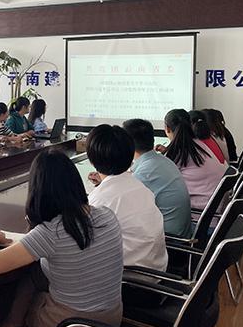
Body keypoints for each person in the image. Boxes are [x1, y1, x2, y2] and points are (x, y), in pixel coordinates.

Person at [0, 151, 123, 327]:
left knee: (22, 300)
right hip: (112, 324)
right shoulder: (107, 214)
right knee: (33, 277)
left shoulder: (51, 232)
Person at [86, 124, 168, 271]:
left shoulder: (98, 201)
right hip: (158, 270)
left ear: (91, 161)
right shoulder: (140, 187)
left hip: (130, 278)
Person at [123, 119, 193, 237]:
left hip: (170, 239)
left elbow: (126, 212)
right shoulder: (161, 161)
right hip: (180, 231)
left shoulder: (144, 173)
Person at [162, 109, 227, 211]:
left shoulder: (177, 151)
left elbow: (161, 183)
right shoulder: (198, 144)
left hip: (201, 214)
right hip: (216, 208)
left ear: (167, 128)